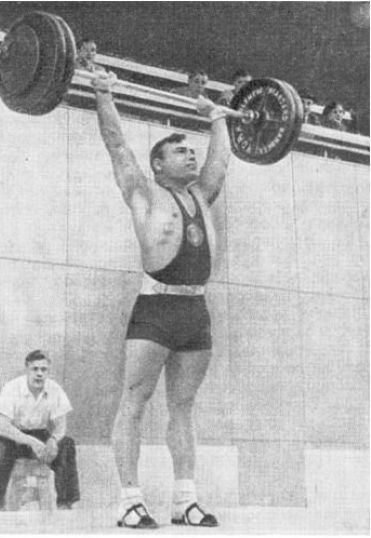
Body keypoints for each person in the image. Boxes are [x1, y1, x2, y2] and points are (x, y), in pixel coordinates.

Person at [92, 71, 230, 529]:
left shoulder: (201, 195)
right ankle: (129, 500)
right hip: (156, 310)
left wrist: (216, 118)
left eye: (191, 150)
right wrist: (104, 94)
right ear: (158, 164)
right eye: (179, 151)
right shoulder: (144, 192)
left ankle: (185, 500)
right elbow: (117, 145)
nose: (190, 155)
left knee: (183, 407)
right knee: (135, 399)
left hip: (195, 311)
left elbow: (220, 163)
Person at [0, 350, 80, 511]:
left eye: (44, 369)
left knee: (67, 444)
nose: (39, 374)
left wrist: (53, 440)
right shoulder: (12, 387)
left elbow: (61, 426)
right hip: (14, 437)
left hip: (41, 435)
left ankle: (66, 503)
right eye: (35, 369)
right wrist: (32, 442)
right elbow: (3, 427)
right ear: (27, 369)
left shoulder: (54, 389)